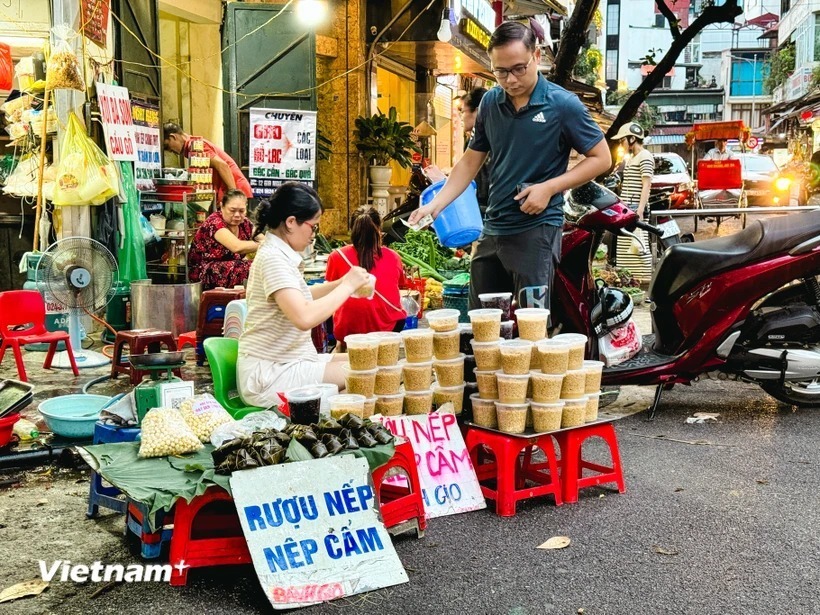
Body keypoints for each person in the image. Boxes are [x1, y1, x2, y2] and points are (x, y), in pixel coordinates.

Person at [410, 21, 611, 311]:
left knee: (531, 324)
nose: (510, 79)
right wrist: (437, 203)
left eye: (519, 68)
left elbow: (602, 158)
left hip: (537, 230)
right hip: (492, 229)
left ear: (537, 57)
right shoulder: (491, 102)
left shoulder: (562, 105)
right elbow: (470, 160)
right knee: (483, 323)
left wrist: (549, 188)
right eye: (500, 71)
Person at [237, 182, 372, 408]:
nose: (314, 236)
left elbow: (301, 296)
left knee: (372, 360)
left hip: (289, 362)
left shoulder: (278, 253)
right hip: (270, 374)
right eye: (313, 227)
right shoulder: (273, 258)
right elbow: (304, 317)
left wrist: (340, 283)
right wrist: (347, 286)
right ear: (291, 222)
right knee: (367, 374)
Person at [324, 207, 406, 343]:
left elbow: (330, 290)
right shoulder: (394, 257)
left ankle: (340, 347)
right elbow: (399, 286)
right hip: (387, 330)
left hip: (347, 331)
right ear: (379, 230)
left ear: (352, 230)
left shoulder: (336, 257)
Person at [187, 190, 260, 290]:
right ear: (222, 207)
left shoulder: (245, 223)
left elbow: (263, 238)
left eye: (242, 211)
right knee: (255, 267)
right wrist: (264, 244)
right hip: (205, 272)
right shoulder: (215, 222)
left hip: (232, 268)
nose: (237, 215)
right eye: (232, 210)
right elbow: (237, 247)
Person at [162, 122, 253, 202]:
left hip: (236, 190)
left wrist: (233, 195)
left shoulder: (196, 146)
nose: (170, 151)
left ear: (173, 137)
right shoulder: (191, 148)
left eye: (167, 146)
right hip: (226, 191)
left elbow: (222, 165)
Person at [608, 122, 653, 267]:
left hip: (635, 210)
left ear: (632, 139)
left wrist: (639, 210)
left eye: (623, 141)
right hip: (627, 209)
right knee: (626, 251)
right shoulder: (631, 158)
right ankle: (628, 283)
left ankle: (642, 282)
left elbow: (646, 184)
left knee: (638, 249)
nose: (622, 145)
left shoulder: (645, 156)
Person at [461, 87, 490, 218]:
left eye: (463, 111)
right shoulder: (476, 139)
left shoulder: (481, 141)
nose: (461, 117)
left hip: (485, 209)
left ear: (478, 112)